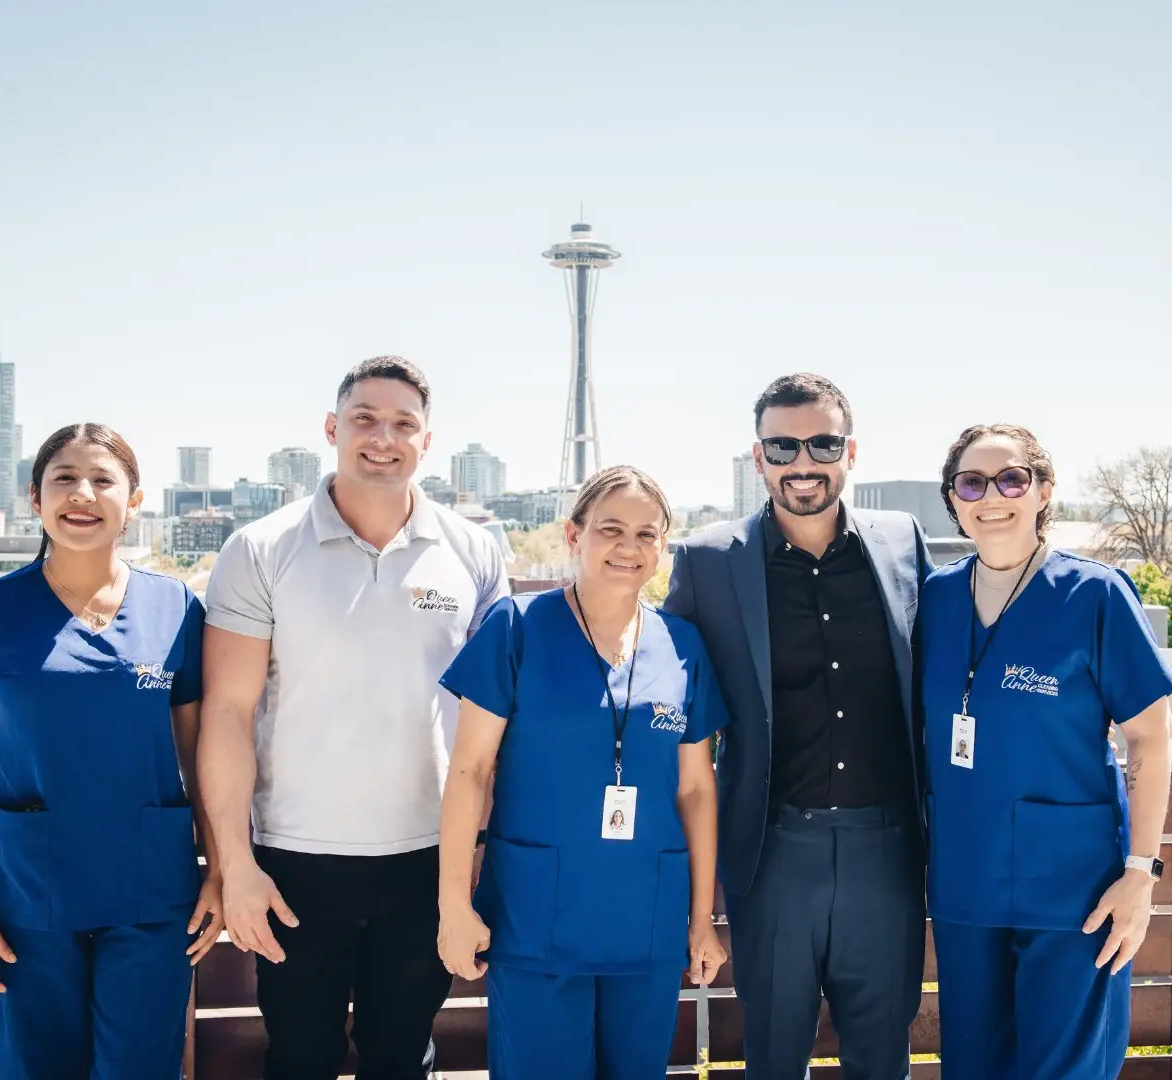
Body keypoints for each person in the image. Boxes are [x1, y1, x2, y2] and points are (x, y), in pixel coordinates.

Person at [198, 356, 509, 1080]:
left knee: (401, 1058)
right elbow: (227, 713)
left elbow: (494, 724)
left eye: (404, 424)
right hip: (295, 863)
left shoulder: (474, 552)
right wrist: (236, 864)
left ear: (426, 442)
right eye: (365, 419)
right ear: (333, 429)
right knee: (300, 1059)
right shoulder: (261, 549)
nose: (383, 438)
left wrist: (472, 868)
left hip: (428, 860)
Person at [0, 423, 220, 1080]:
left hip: (152, 895)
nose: (82, 494)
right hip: (26, 900)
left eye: (103, 480)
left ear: (134, 501)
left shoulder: (175, 609)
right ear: (35, 498)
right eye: (63, 478)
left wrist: (220, 870)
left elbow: (203, 760)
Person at [665, 374, 932, 1080]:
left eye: (822, 442)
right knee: (775, 1054)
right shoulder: (705, 561)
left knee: (882, 1056)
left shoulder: (902, 540)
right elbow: (671, 705)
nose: (802, 462)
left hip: (888, 849)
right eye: (782, 445)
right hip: (773, 849)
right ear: (758, 458)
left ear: (850, 451)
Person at [436, 465, 730, 1080]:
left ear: (664, 547)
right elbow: (469, 771)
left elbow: (697, 790)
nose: (629, 548)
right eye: (611, 530)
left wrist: (701, 921)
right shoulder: (515, 627)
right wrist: (454, 907)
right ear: (574, 536)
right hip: (536, 915)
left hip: (647, 918)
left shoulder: (681, 646)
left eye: (647, 535)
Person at [920, 424, 1172, 1079]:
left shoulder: (1095, 595)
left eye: (1012, 479)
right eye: (971, 482)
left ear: (1043, 491)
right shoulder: (935, 599)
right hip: (965, 889)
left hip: (1075, 893)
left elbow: (1149, 734)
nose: (992, 496)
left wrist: (1140, 875)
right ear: (954, 498)